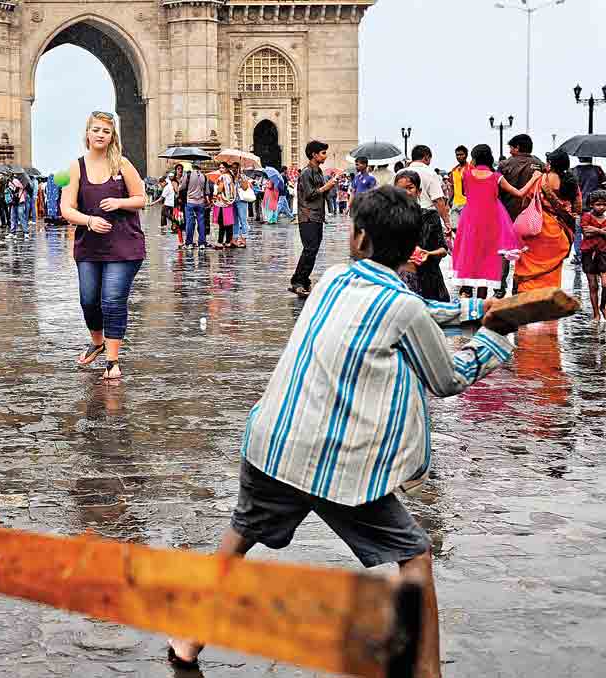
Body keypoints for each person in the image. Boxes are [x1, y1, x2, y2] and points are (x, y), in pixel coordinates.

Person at [166, 186, 517, 678]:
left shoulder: (331, 278)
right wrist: (495, 336)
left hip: (274, 444)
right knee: (415, 555)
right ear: (415, 250)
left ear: (356, 237)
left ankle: (186, 641)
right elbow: (446, 379)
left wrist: (475, 312)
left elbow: (410, 312)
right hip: (340, 465)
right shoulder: (406, 309)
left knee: (241, 536)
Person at [61, 110, 147, 381]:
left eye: (106, 131)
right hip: (89, 246)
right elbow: (66, 208)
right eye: (96, 129)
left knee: (111, 300)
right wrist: (88, 220)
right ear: (87, 133)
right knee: (89, 300)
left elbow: (141, 198)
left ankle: (112, 360)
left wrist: (120, 203)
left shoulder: (122, 164)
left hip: (123, 245)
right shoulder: (75, 167)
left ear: (112, 137)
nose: (100, 134)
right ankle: (97, 342)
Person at [451, 145, 538, 300]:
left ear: (475, 158)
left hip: (470, 220)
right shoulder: (496, 176)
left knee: (470, 254)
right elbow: (519, 193)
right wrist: (534, 178)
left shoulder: (466, 174)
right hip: (490, 222)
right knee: (485, 259)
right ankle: (481, 305)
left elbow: (465, 192)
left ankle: (466, 297)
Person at [515, 149, 580, 292]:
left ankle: (528, 298)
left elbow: (526, 200)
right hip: (560, 233)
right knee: (552, 271)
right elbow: (577, 208)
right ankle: (549, 299)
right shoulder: (571, 183)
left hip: (538, 229)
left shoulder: (540, 180)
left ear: (550, 164)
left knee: (530, 269)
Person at [497, 134, 545, 297]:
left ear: (517, 148)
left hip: (506, 214)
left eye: (511, 147)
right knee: (524, 252)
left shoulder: (504, 165)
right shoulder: (539, 165)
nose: (510, 151)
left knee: (504, 251)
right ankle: (518, 286)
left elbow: (496, 191)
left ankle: (500, 286)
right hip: (530, 216)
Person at [290, 140, 338, 297]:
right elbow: (310, 194)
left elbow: (322, 194)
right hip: (307, 215)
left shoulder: (318, 172)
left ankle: (303, 280)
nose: (325, 156)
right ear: (314, 154)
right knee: (309, 249)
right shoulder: (306, 172)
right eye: (323, 153)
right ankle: (297, 281)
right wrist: (326, 187)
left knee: (313, 250)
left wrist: (331, 185)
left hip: (317, 216)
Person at [394, 170, 450, 300]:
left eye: (410, 188)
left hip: (429, 279)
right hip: (400, 281)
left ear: (419, 191)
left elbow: (443, 250)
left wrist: (428, 253)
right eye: (401, 189)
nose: (406, 193)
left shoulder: (431, 216)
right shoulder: (389, 219)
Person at [572, 157, 606, 264]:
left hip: (578, 208)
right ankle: (596, 252)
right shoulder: (598, 170)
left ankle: (578, 255)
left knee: (577, 232)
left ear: (579, 157)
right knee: (595, 231)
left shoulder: (573, 171)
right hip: (594, 209)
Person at [579, 189, 606, 322]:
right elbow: (586, 233)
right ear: (591, 205)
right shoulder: (586, 217)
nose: (601, 207)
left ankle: (603, 306)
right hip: (589, 253)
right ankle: (596, 313)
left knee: (605, 283)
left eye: (604, 204)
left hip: (604, 253)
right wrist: (602, 231)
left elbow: (590, 232)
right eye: (598, 204)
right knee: (593, 285)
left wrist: (594, 230)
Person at [179, 163, 208, 249]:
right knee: (201, 222)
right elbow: (206, 191)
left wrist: (181, 182)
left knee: (190, 223)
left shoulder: (188, 175)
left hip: (190, 201)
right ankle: (202, 243)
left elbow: (181, 187)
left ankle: (189, 243)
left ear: (192, 166)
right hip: (201, 202)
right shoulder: (204, 176)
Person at [212, 162, 236, 249]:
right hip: (229, 201)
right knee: (228, 223)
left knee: (221, 222)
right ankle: (228, 241)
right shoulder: (230, 176)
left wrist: (216, 189)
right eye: (220, 167)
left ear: (226, 168)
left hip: (222, 202)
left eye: (222, 167)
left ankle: (220, 241)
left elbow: (220, 188)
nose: (220, 169)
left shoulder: (223, 177)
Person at [449, 146, 469, 235]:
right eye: (457, 155)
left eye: (461, 154)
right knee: (454, 227)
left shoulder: (470, 169)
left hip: (467, 203)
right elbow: (452, 187)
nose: (459, 157)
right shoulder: (454, 170)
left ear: (466, 155)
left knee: (466, 228)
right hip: (456, 203)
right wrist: (449, 201)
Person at [232, 163, 252, 248]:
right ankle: (235, 238)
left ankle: (244, 238)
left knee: (243, 220)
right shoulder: (231, 176)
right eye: (233, 168)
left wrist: (240, 178)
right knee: (235, 221)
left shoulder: (243, 176)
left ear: (239, 168)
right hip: (233, 200)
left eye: (236, 168)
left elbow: (245, 188)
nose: (234, 169)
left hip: (241, 200)